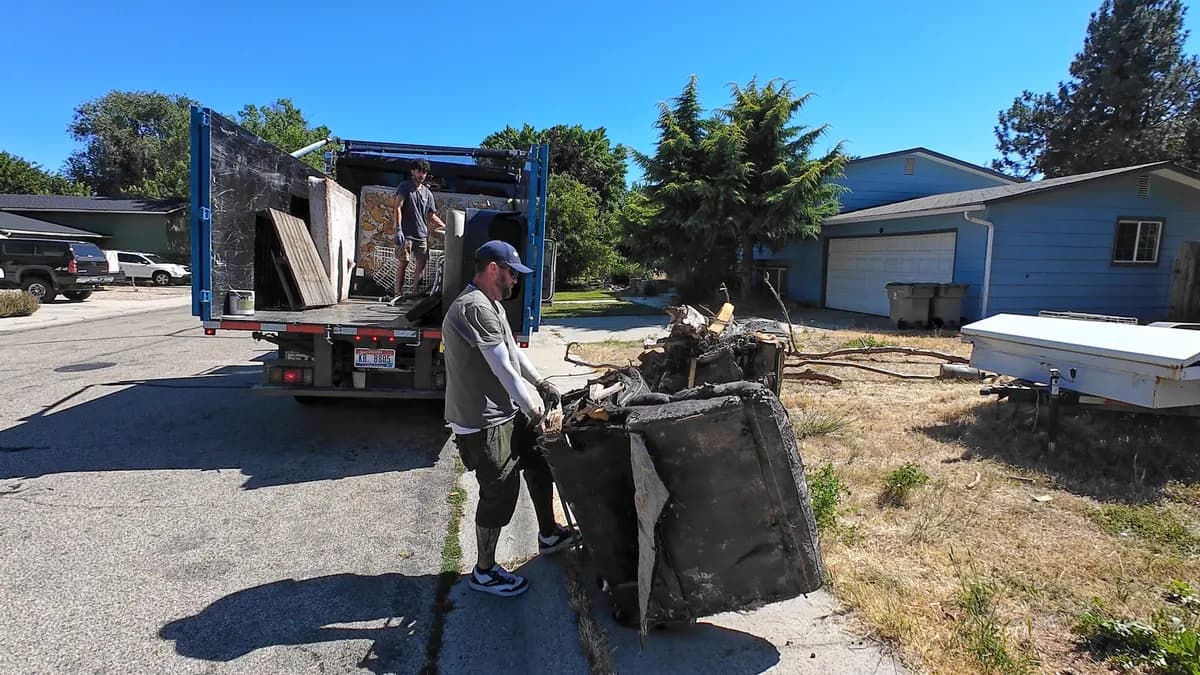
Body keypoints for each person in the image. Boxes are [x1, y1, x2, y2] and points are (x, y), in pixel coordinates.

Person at [441, 240, 580, 597]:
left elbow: (514, 355)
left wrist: (542, 383)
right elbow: (503, 371)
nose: (516, 281)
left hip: (504, 412)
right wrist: (535, 411)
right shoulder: (474, 308)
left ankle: (548, 534)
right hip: (482, 421)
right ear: (493, 269)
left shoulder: (494, 306)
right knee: (500, 491)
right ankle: (484, 572)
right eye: (511, 273)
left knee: (539, 458)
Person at [393, 158, 446, 300]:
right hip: (406, 234)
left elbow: (431, 214)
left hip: (421, 235)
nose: (422, 175)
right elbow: (397, 207)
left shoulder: (427, 193)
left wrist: (445, 226)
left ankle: (415, 294)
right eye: (419, 172)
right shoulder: (404, 187)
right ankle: (398, 293)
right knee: (403, 262)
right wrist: (398, 229)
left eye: (424, 173)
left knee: (421, 265)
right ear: (412, 171)